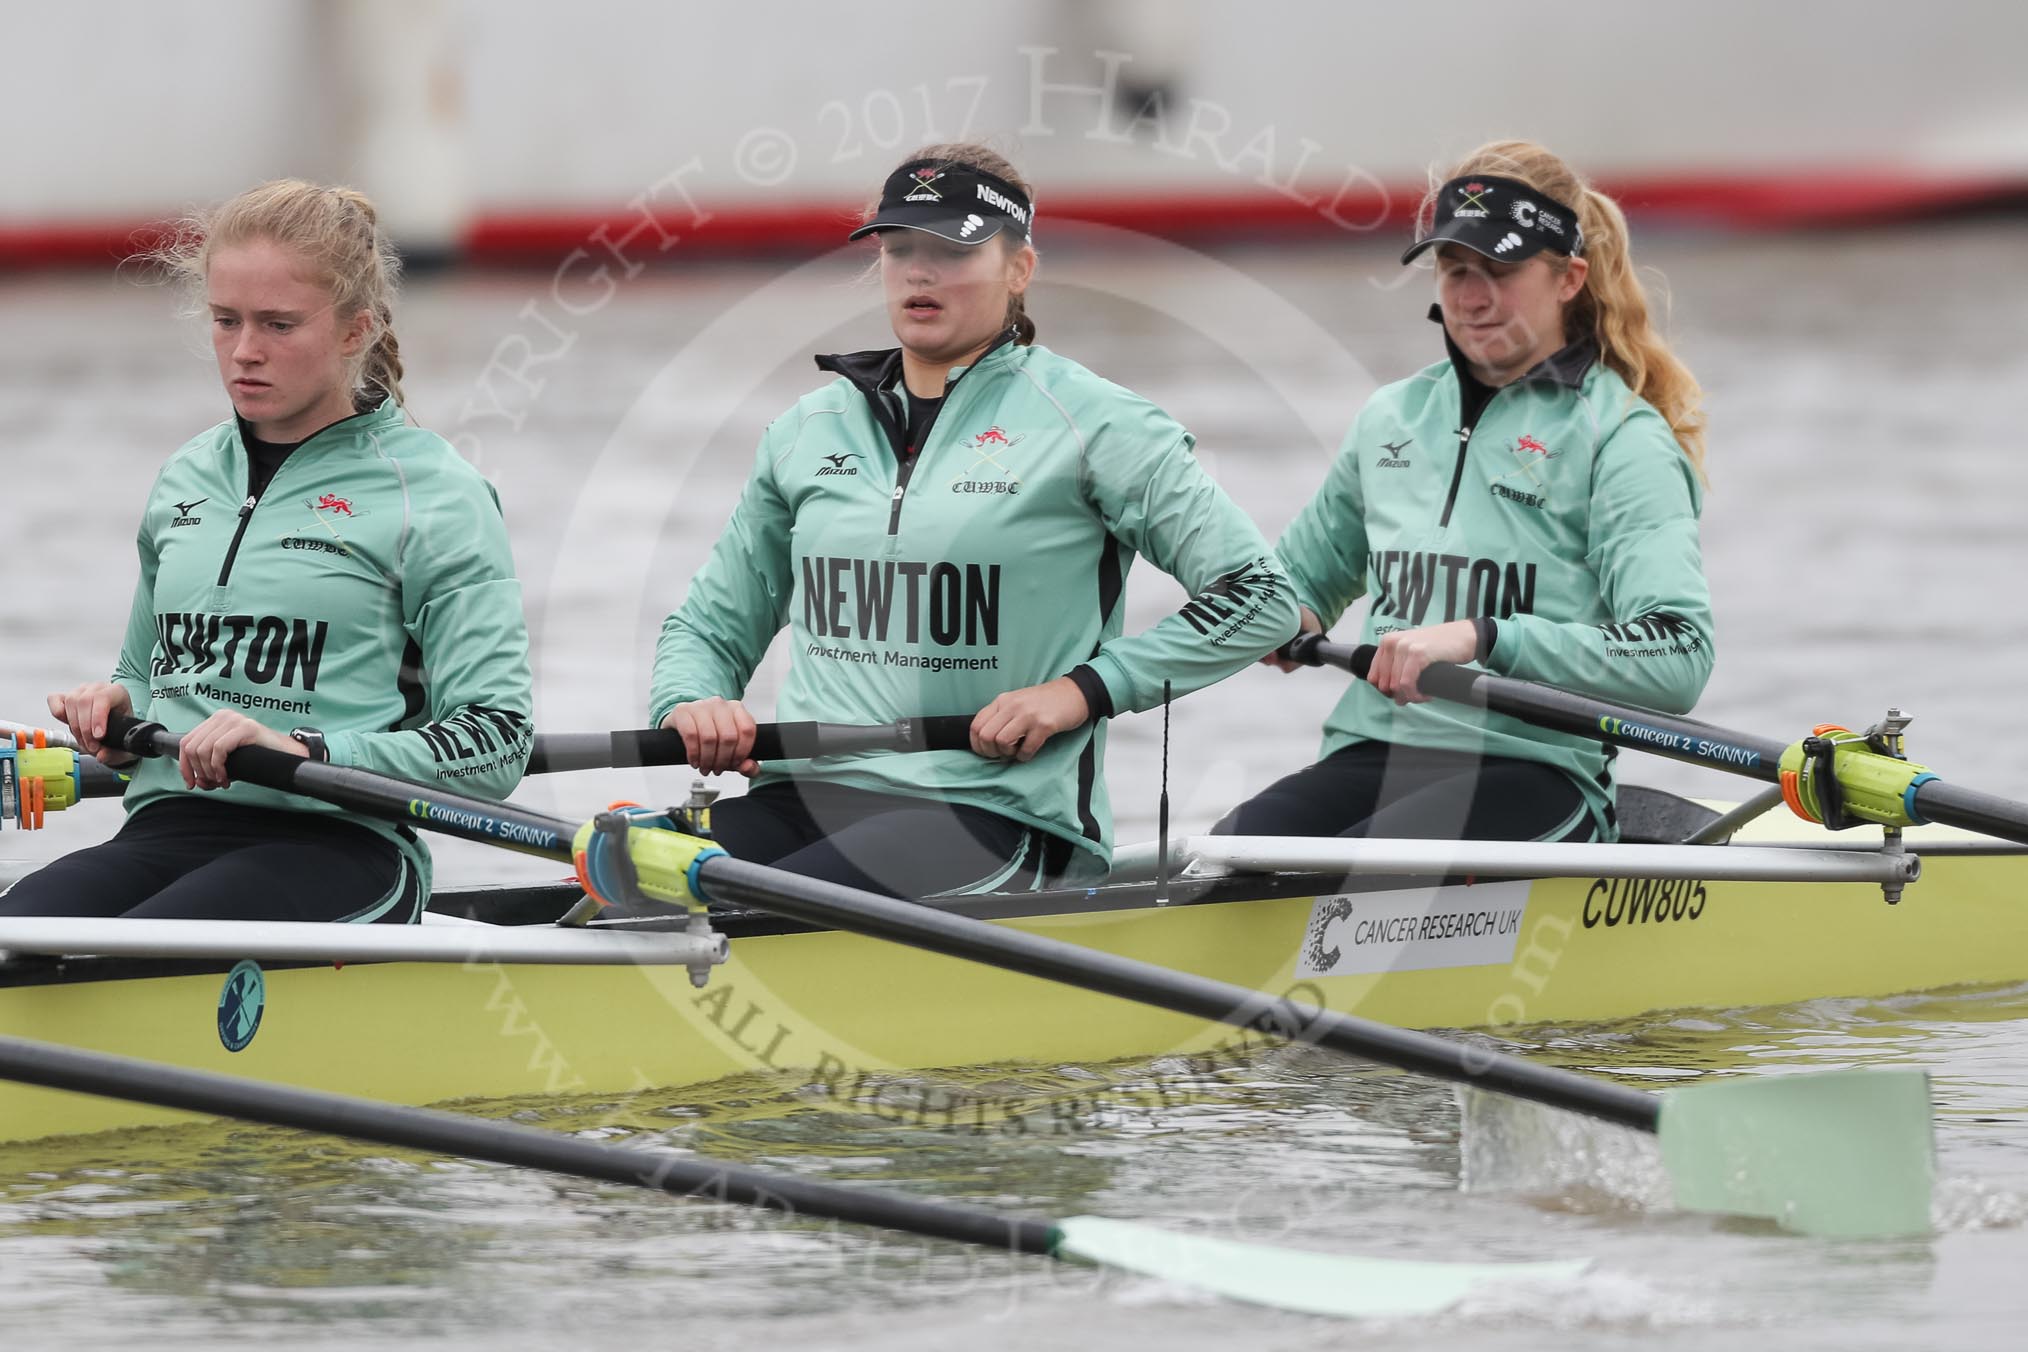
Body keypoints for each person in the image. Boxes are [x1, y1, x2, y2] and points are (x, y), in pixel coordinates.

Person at [652, 143, 1297, 897]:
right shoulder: (806, 429)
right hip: (803, 797)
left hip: (988, 812)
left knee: (729, 909)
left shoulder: (1097, 426)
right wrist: (692, 699)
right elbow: (708, 625)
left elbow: (1262, 598)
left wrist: (1082, 691)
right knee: (617, 880)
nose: (920, 272)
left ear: (1019, 268)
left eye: (951, 250)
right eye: (900, 249)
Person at [0, 181, 533, 923]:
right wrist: (114, 716)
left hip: (341, 843)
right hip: (166, 828)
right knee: (15, 937)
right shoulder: (185, 476)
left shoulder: (436, 495)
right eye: (226, 321)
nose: (244, 352)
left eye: (279, 325)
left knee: (128, 956)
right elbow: (145, 683)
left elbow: (496, 743)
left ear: (357, 329)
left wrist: (306, 748)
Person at [1217, 140, 1714, 844]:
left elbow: (1678, 656)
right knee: (1226, 853)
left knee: (1354, 871)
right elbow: (1298, 586)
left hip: (1535, 771)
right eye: (1455, 270)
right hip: (1375, 753)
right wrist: (1260, 612)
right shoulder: (1391, 416)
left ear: (1570, 279)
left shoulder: (1621, 439)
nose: (1472, 297)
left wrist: (1483, 637)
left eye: (1501, 270)